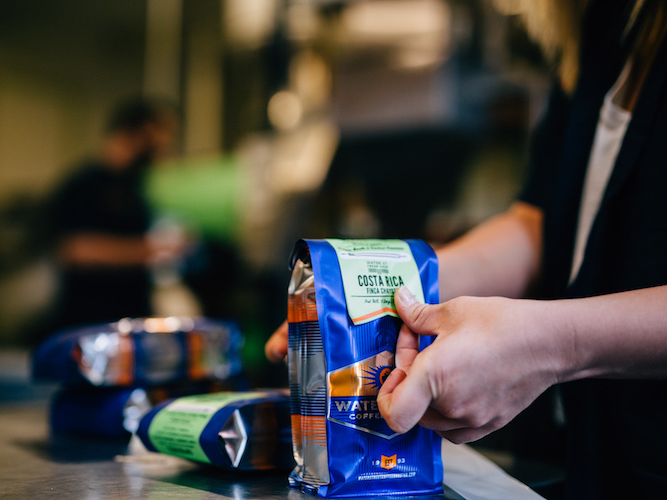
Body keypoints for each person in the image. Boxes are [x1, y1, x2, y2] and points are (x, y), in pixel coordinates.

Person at [266, 0, 667, 497]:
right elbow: (540, 224)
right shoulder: (609, 27)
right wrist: (384, 282)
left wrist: (553, 342)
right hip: (592, 448)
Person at [46, 98, 186, 330]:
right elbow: (76, 250)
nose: (166, 143)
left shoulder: (135, 186)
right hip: (90, 324)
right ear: (140, 131)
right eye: (162, 132)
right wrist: (152, 250)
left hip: (129, 320)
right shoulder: (84, 184)